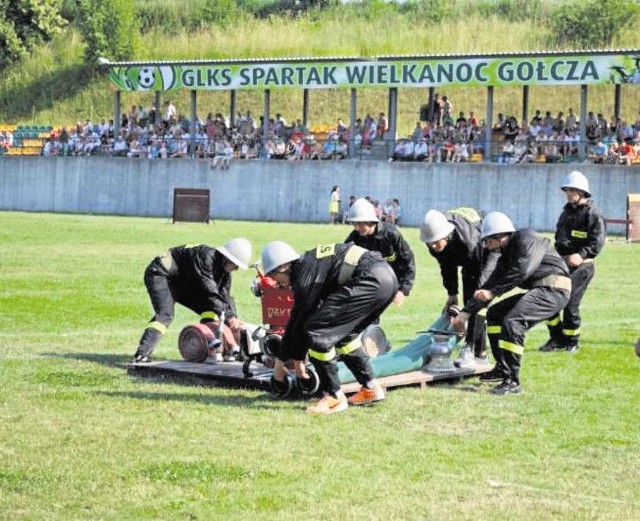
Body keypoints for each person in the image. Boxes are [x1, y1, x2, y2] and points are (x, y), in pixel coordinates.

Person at [261, 240, 398, 414]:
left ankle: (334, 397)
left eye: (273, 276)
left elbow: (299, 321)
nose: (275, 283)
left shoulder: (304, 277)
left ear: (282, 267)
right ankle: (370, 388)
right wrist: (295, 360)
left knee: (317, 332)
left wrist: (281, 364)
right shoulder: (309, 265)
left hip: (371, 280)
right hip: (387, 279)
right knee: (344, 336)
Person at [451, 212, 571, 395]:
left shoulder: (526, 238)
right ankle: (502, 368)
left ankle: (512, 381)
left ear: (499, 237)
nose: (486, 246)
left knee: (512, 321)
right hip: (543, 289)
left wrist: (492, 291)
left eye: (488, 241)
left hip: (554, 290)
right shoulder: (506, 255)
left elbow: (522, 270)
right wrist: (465, 313)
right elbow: (491, 283)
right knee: (494, 314)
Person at [132, 238, 253, 363]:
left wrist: (233, 318)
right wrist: (229, 317)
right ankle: (142, 354)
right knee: (165, 314)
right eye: (236, 265)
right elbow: (210, 293)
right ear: (228, 259)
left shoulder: (224, 272)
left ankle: (212, 350)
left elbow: (226, 297)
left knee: (211, 311)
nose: (237, 269)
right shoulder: (205, 258)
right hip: (160, 274)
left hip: (180, 281)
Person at [420, 208, 499, 368]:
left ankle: (470, 348)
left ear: (447, 235)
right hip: (468, 254)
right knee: (468, 302)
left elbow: (481, 279)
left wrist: (467, 310)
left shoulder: (469, 242)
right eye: (430, 242)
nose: (433, 245)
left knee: (477, 300)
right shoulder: (434, 241)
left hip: (488, 252)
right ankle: (480, 354)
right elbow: (446, 265)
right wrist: (452, 293)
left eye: (436, 241)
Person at [539, 171, 605, 353]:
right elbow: (559, 236)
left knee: (570, 304)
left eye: (571, 191)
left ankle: (572, 340)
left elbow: (597, 242)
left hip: (582, 267)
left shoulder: (593, 214)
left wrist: (581, 255)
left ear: (581, 192)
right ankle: (556, 338)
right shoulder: (566, 212)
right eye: (567, 191)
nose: (568, 194)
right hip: (562, 263)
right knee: (549, 299)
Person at [345, 198, 415, 306]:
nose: (356, 228)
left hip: (389, 282)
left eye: (359, 224)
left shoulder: (391, 234)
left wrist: (403, 290)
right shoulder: (355, 237)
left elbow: (408, 261)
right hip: (366, 283)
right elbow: (343, 257)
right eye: (354, 224)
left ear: (369, 221)